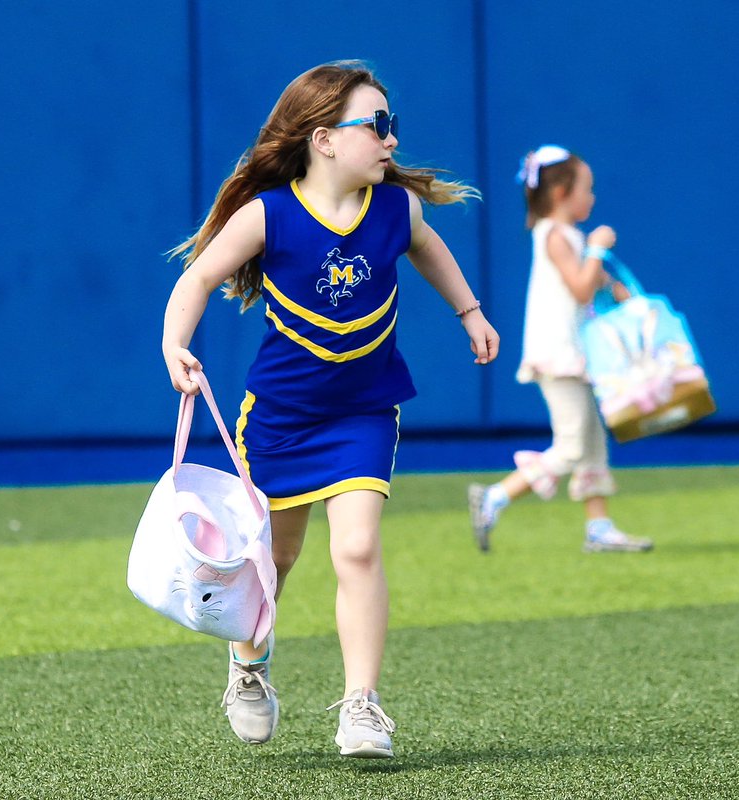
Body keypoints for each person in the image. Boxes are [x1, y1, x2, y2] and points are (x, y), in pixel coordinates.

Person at [162, 60, 499, 758]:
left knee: (357, 547)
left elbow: (432, 252)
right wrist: (174, 344)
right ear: (323, 139)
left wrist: (469, 312)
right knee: (273, 562)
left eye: (392, 126)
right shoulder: (269, 214)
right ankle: (248, 670)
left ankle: (362, 706)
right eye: (376, 126)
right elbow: (198, 277)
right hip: (280, 420)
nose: (391, 141)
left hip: (364, 414)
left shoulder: (395, 210)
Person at [467, 145, 652, 555]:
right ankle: (495, 496)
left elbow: (592, 282)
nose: (592, 197)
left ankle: (599, 527)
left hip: (576, 354)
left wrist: (614, 285)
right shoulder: (554, 234)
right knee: (571, 445)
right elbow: (580, 285)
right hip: (559, 354)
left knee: (591, 443)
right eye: (586, 189)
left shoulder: (565, 235)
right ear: (560, 194)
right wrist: (600, 249)